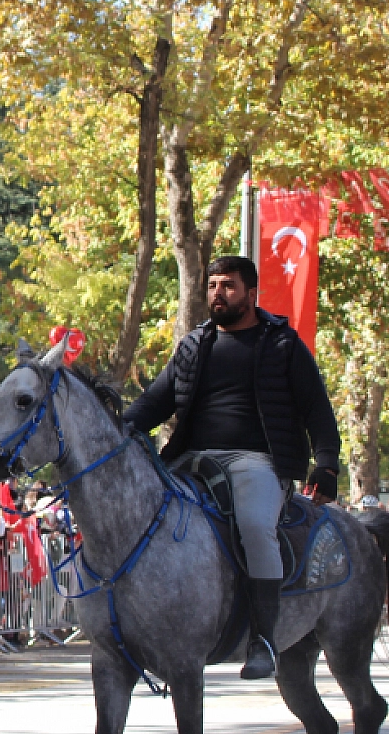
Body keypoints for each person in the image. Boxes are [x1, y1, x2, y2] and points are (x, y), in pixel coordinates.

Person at [122, 255, 341, 680]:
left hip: (256, 461)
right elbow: (153, 403)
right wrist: (115, 431)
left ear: (251, 293)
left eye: (228, 286)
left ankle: (263, 640)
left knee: (256, 527)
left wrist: (327, 465)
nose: (217, 294)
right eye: (212, 286)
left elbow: (318, 410)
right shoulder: (193, 345)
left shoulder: (282, 343)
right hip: (188, 460)